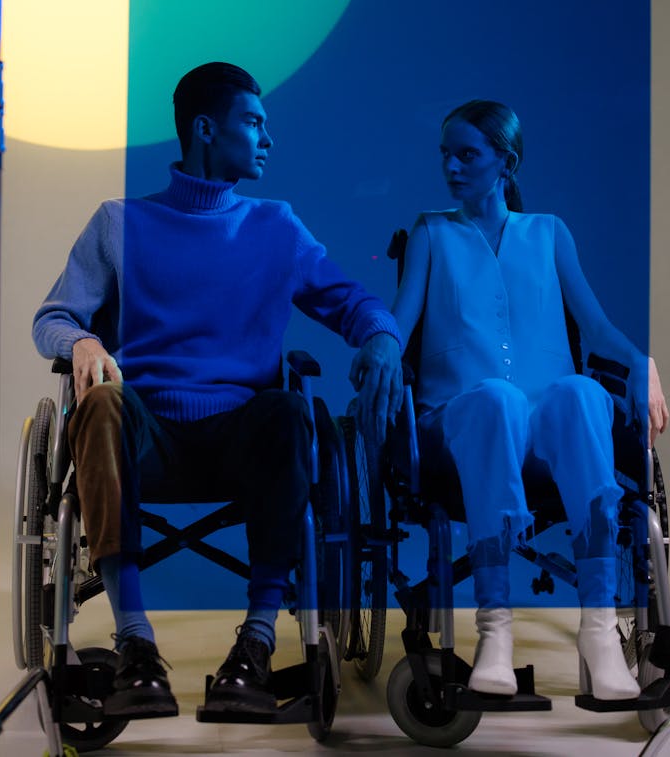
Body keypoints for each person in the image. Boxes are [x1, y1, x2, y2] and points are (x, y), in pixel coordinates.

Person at [33, 61, 403, 719]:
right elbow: (52, 318)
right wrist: (83, 341)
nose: (267, 139)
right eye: (254, 123)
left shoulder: (275, 225)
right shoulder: (118, 222)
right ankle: (135, 644)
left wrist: (380, 336)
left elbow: (352, 301)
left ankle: (256, 642)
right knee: (99, 402)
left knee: (292, 410)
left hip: (241, 437)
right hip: (145, 434)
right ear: (207, 129)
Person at [391, 99, 669, 701]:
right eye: (446, 155)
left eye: (468, 155)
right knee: (496, 399)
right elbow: (401, 322)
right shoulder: (431, 233)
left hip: (547, 429)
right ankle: (496, 630)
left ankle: (598, 628)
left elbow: (595, 329)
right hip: (460, 420)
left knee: (578, 391)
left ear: (505, 162)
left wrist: (642, 364)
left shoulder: (548, 232)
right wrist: (380, 349)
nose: (452, 168)